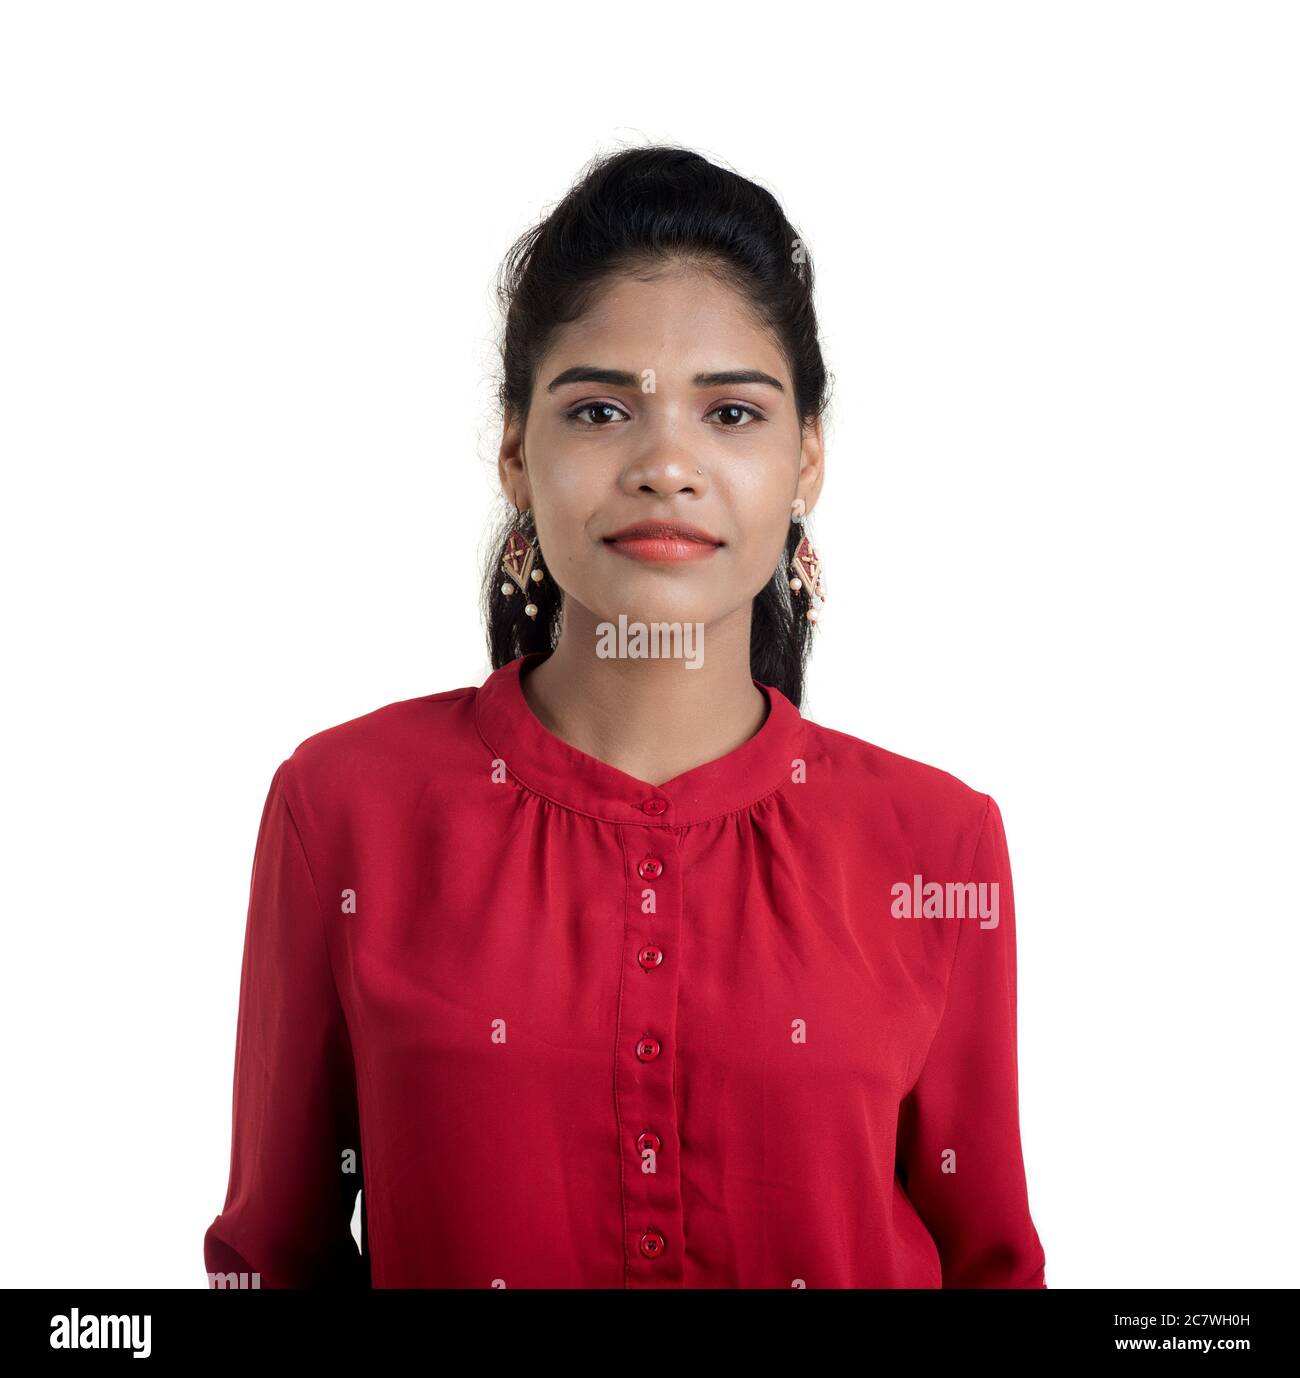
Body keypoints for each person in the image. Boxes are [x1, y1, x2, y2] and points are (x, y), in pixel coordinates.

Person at [203, 144, 1047, 1289]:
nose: (665, 464)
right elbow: (271, 1259)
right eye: (600, 409)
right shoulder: (343, 808)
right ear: (515, 450)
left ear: (806, 460)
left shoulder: (938, 844)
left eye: (731, 414)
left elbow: (993, 1267)